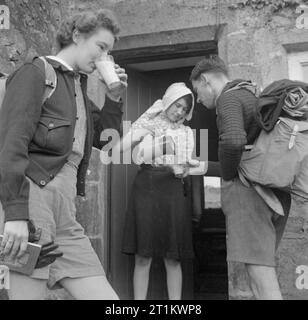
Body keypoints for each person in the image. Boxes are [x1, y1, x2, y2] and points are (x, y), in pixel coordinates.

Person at [0, 9, 128, 300]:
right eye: (101, 47)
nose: (104, 57)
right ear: (77, 36)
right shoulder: (36, 73)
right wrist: (16, 216)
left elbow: (109, 142)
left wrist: (115, 98)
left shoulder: (79, 91)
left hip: (66, 216)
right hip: (32, 207)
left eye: (108, 51)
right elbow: (11, 145)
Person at [190, 56, 291, 300]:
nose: (200, 101)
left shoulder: (228, 97)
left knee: (262, 279)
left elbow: (234, 140)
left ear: (205, 80)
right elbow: (249, 156)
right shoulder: (250, 93)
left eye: (197, 92)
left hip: (251, 199)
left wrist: (226, 175)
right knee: (259, 275)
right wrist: (205, 167)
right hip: (274, 193)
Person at [118, 83, 196, 300]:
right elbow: (135, 154)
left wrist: (183, 169)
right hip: (147, 187)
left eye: (184, 108)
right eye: (177, 105)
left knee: (173, 257)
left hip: (172, 190)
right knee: (143, 256)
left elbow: (186, 166)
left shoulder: (187, 132)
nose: (179, 111)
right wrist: (148, 122)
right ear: (168, 101)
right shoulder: (150, 123)